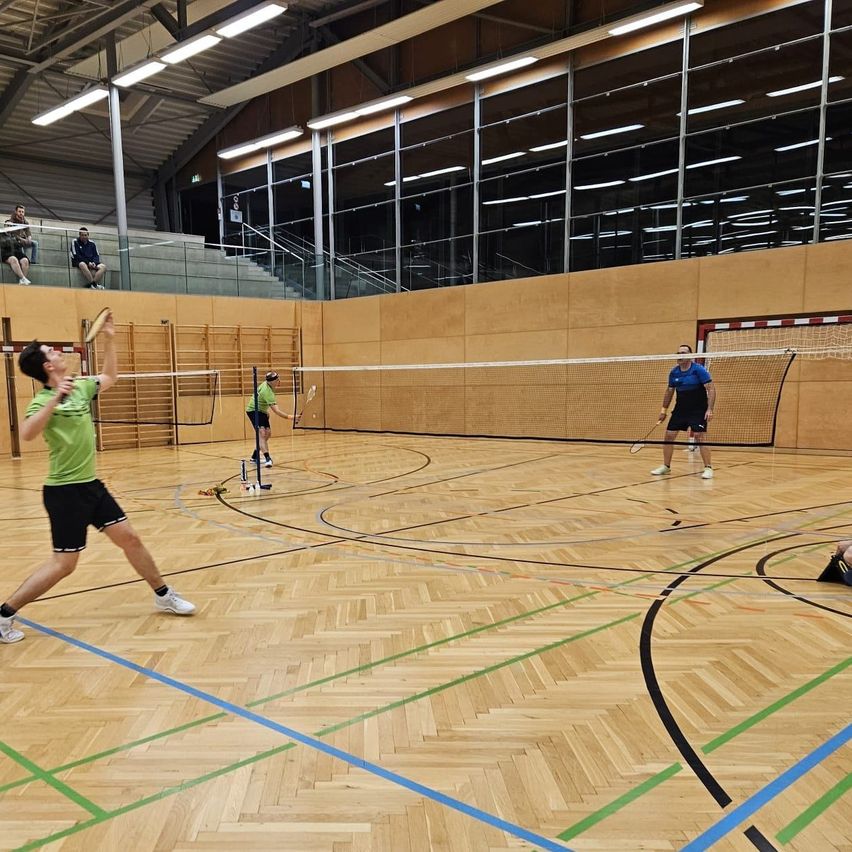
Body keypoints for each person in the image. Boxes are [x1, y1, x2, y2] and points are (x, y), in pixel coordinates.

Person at [0, 312, 195, 645]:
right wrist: (56, 398)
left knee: (130, 538)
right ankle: (4, 614)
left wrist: (110, 337)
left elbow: (110, 376)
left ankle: (162, 594)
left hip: (91, 486)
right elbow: (30, 433)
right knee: (65, 564)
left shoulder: (79, 386)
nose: (58, 353)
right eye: (52, 352)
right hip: (65, 493)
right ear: (47, 367)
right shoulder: (42, 400)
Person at [651, 344, 716, 480]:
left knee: (700, 437)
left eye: (683, 353)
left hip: (698, 409)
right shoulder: (674, 372)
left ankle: (708, 467)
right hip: (681, 409)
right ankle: (666, 467)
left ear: (690, 356)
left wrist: (709, 409)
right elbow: (669, 391)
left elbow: (711, 389)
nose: (680, 355)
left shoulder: (698, 370)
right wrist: (663, 410)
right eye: (678, 352)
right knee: (669, 436)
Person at [245, 370, 297, 468]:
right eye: (277, 379)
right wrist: (292, 417)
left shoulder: (268, 385)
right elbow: (277, 411)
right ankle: (268, 458)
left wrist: (264, 412)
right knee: (262, 433)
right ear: (271, 381)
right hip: (253, 410)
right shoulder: (267, 392)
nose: (279, 381)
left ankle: (254, 456)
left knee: (267, 434)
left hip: (262, 411)